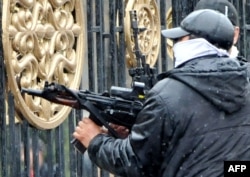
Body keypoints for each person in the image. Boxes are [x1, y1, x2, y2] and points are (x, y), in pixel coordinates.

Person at [73, 9, 250, 177]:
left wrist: (95, 140)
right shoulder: (245, 85)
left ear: (193, 41)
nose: (175, 45)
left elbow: (136, 164)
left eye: (179, 39)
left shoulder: (167, 94)